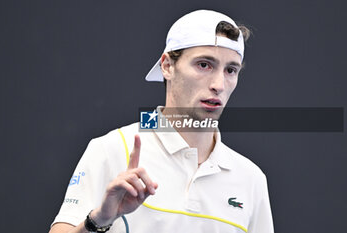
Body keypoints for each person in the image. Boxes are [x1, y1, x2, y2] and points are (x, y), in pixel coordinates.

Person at [49, 9, 274, 233]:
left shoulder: (251, 178)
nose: (219, 84)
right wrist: (99, 221)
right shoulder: (111, 148)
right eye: (204, 64)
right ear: (167, 66)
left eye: (230, 70)